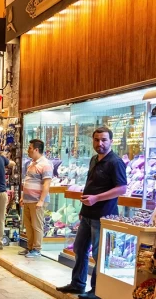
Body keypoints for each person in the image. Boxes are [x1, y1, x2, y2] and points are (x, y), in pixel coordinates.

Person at [57, 128, 127, 299]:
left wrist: (97, 198)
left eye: (103, 140)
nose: (100, 143)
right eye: (96, 140)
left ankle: (97, 291)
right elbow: (91, 184)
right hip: (88, 214)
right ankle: (78, 284)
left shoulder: (115, 162)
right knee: (80, 249)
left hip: (103, 215)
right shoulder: (94, 159)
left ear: (111, 141)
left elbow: (122, 188)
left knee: (99, 254)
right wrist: (84, 210)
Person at [19, 139, 53, 259]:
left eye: (30, 148)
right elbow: (27, 181)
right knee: (28, 226)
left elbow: (46, 184)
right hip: (28, 200)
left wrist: (41, 200)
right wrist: (23, 197)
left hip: (37, 200)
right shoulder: (31, 163)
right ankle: (30, 247)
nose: (28, 150)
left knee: (36, 225)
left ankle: (36, 248)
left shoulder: (45, 164)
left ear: (36, 150)